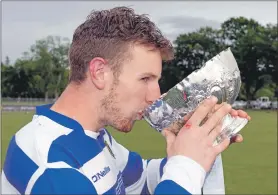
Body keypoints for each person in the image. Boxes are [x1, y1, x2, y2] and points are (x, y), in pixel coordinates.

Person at [1, 7, 250, 195]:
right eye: (145, 78)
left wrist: (201, 146)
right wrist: (187, 165)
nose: (155, 95)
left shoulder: (95, 137)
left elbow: (142, 181)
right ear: (100, 72)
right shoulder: (50, 162)